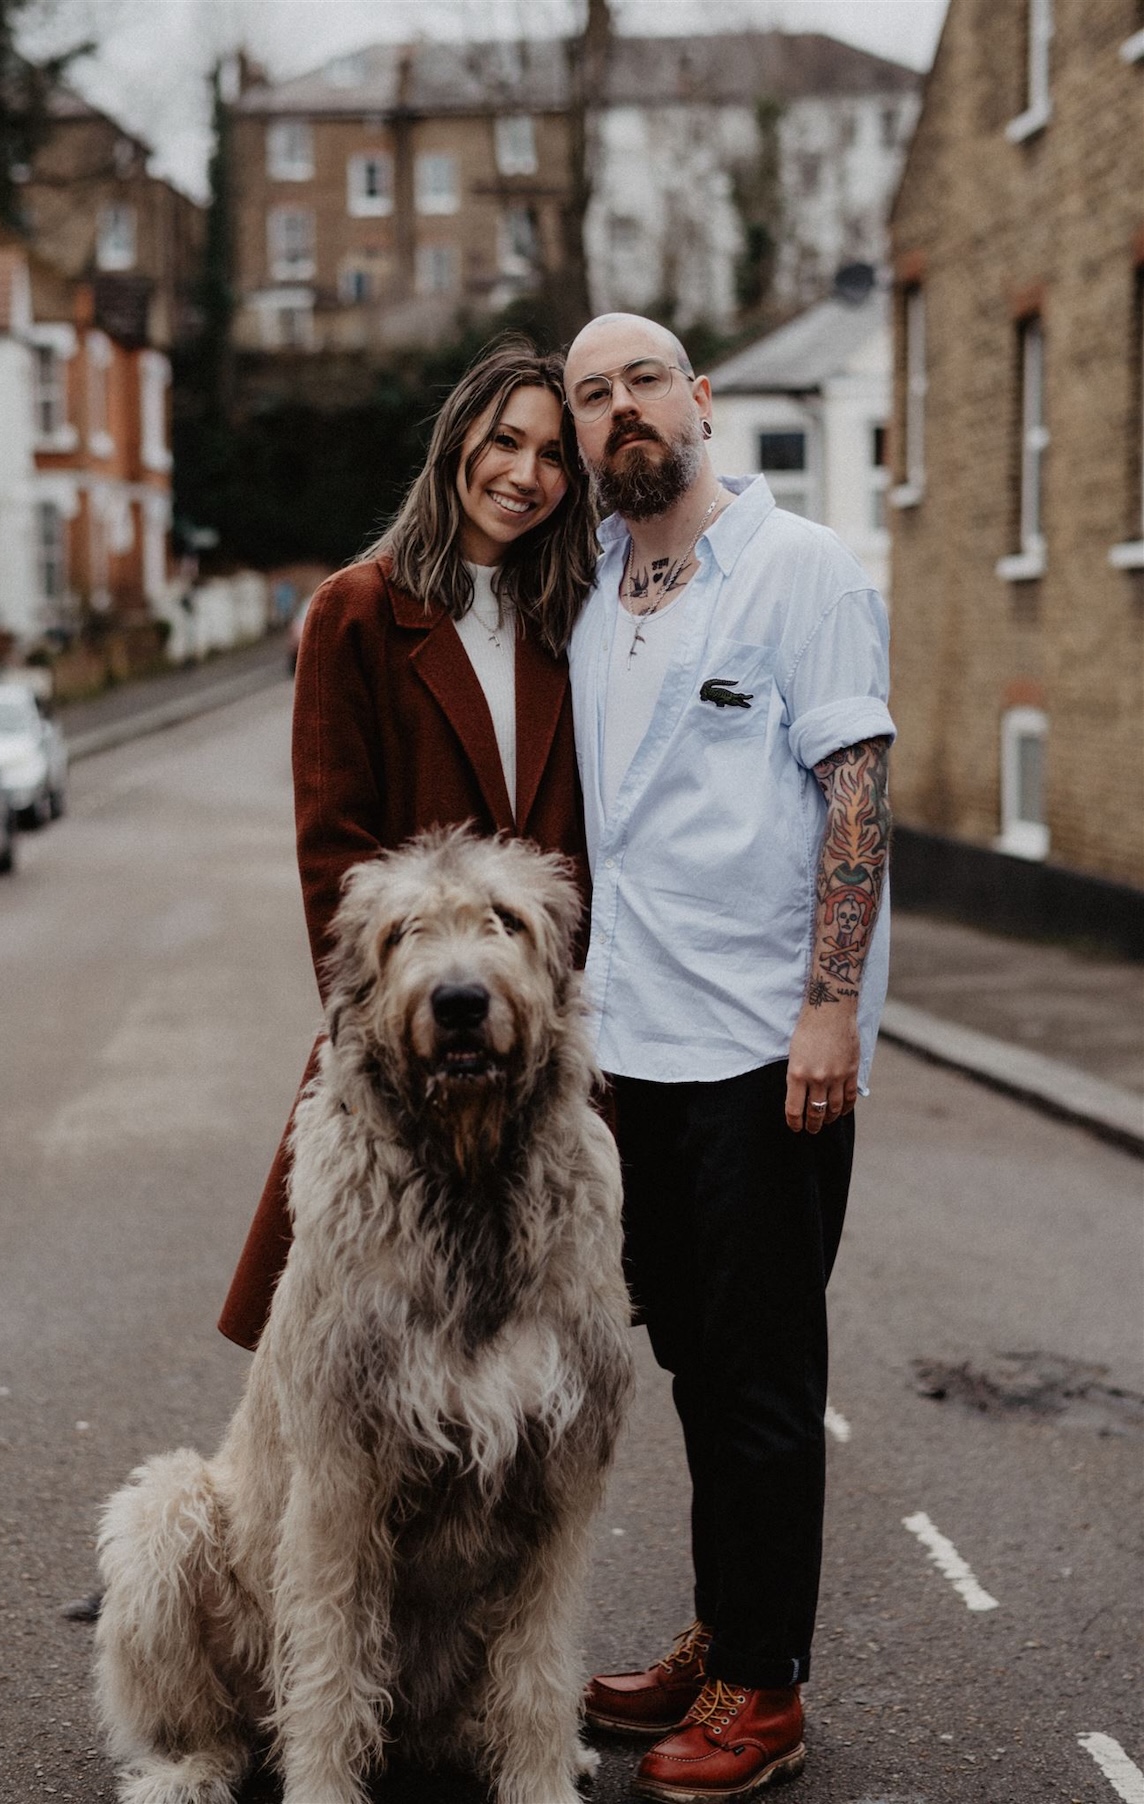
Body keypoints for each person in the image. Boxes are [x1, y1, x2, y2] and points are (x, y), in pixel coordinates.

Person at [564, 313, 894, 1801]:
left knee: (764, 1378)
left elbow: (857, 790)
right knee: (697, 1366)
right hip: (635, 1057)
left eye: (643, 379)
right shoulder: (597, 594)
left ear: (700, 399)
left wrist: (829, 1008)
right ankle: (725, 1631)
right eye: (591, 396)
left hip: (764, 1056)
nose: (620, 408)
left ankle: (767, 1690)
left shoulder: (802, 569)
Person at [217, 339, 597, 1351]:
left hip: (541, 1035)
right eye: (505, 440)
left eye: (556, 455)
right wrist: (370, 1028)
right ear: (457, 441)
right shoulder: (357, 612)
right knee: (360, 1352)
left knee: (533, 1354)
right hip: (414, 1021)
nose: (526, 474)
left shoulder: (574, 617)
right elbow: (332, 855)